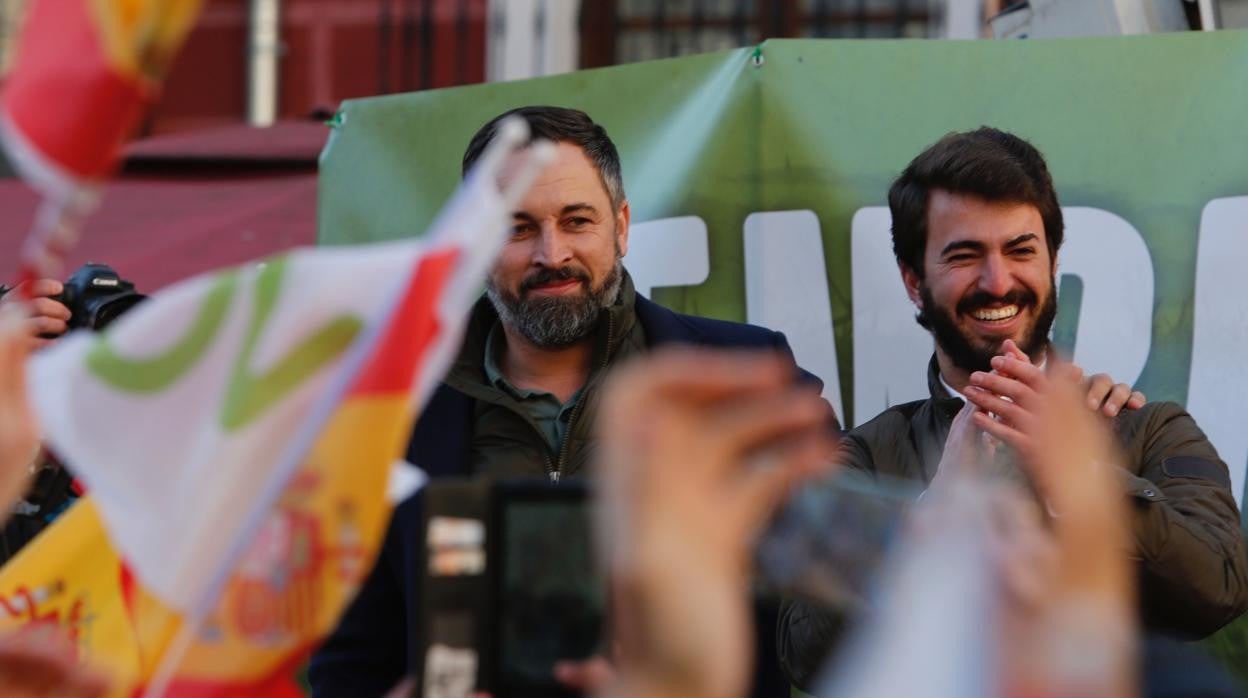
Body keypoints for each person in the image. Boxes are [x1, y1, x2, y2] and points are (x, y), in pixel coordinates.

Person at [309, 105, 831, 697]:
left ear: (623, 226)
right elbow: (347, 663)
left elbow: (824, 622)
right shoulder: (393, 415)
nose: (550, 254)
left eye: (576, 220)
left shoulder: (740, 376)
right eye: (518, 227)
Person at [777, 127, 1248, 690]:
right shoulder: (864, 456)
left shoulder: (1151, 429)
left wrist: (1081, 485)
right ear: (912, 281)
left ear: (1053, 262)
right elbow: (802, 651)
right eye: (965, 254)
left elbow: (1221, 587)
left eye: (1020, 250)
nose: (998, 282)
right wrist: (925, 516)